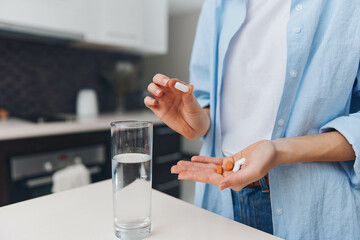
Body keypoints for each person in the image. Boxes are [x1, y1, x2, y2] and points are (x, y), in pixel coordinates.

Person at [145, 0, 360, 239]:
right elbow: (206, 100)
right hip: (222, 197)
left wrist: (279, 151)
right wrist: (198, 122)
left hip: (313, 208)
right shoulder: (216, 5)